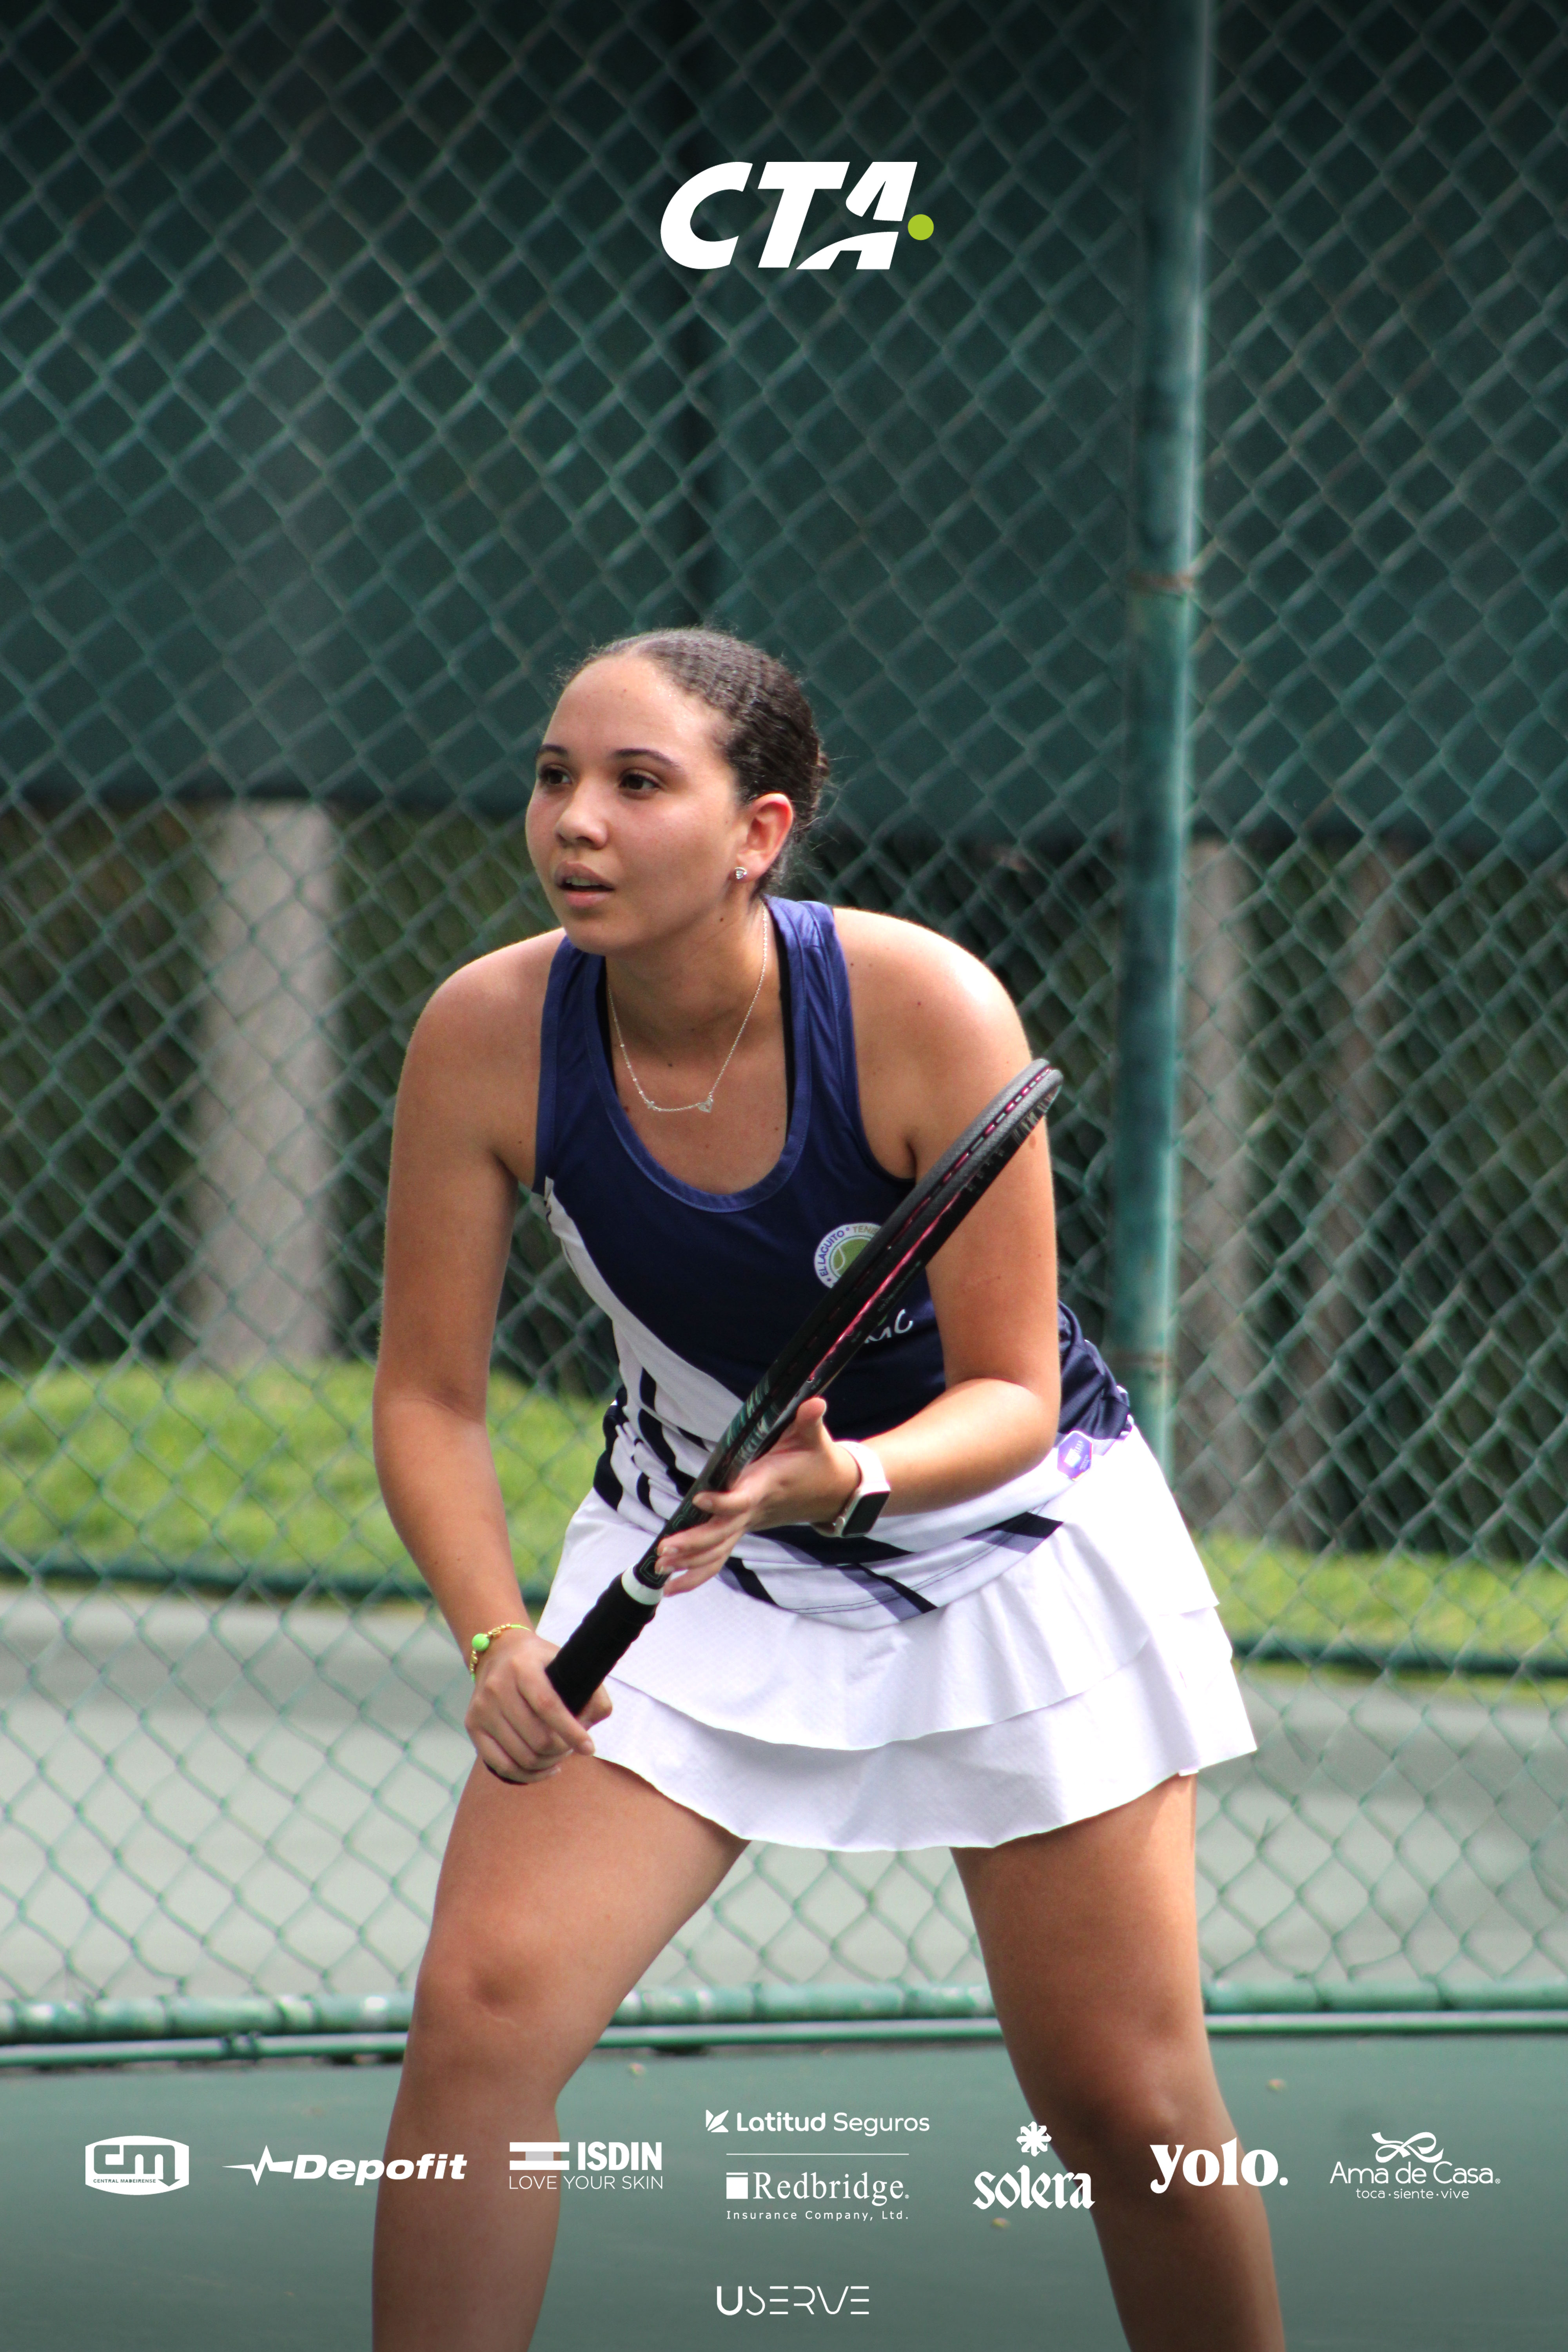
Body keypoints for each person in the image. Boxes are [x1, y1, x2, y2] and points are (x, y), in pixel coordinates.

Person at [369, 628, 1285, 2352]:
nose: (577, 820)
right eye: (557, 776)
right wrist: (496, 1631)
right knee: (480, 2023)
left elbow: (1017, 1396)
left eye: (640, 784)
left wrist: (839, 1476)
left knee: (1125, 2102)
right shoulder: (486, 1034)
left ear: (755, 830)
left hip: (1016, 1555)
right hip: (695, 1559)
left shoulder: (917, 1003)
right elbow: (425, 1398)